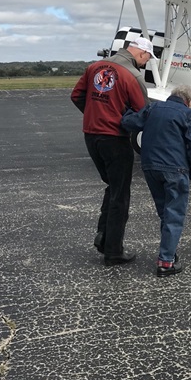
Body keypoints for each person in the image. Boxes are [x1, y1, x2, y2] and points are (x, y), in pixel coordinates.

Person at [71, 37, 157, 266]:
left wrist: (94, 115)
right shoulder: (133, 76)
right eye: (148, 58)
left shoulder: (94, 67)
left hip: (91, 136)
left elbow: (76, 96)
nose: (146, 63)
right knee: (120, 194)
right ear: (141, 53)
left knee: (112, 186)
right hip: (114, 139)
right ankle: (113, 251)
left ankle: (104, 236)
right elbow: (143, 113)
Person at [121, 85, 191, 277]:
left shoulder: (152, 108)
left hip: (150, 167)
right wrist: (190, 171)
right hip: (175, 168)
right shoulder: (188, 115)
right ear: (189, 102)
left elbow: (129, 123)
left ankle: (169, 253)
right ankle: (165, 262)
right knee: (174, 215)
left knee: (165, 213)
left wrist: (125, 109)